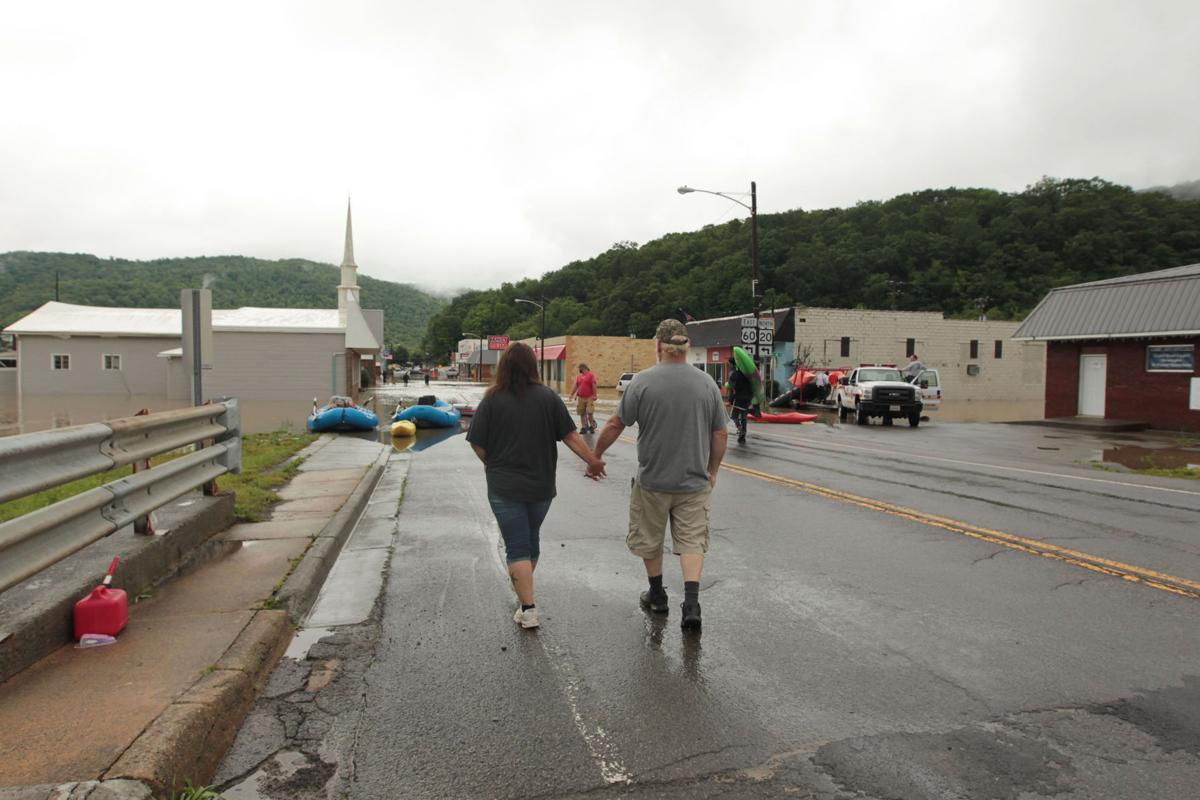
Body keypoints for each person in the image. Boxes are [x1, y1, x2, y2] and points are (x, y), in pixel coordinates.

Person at [591, 319, 728, 632]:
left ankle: (657, 596)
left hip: (652, 480)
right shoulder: (707, 383)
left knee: (650, 539)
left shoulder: (642, 382)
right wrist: (713, 470)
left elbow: (615, 425)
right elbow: (720, 432)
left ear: (658, 347)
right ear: (686, 348)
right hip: (694, 482)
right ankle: (691, 604)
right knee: (692, 541)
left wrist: (595, 456)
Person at [467, 342, 604, 630]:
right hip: (541, 486)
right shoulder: (548, 398)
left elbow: (477, 442)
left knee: (517, 546)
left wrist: (492, 464)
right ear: (533, 366)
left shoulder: (492, 399)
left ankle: (528, 608)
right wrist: (592, 461)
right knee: (530, 540)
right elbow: (570, 436)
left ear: (503, 367)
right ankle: (524, 594)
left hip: (504, 487)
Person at [727, 357, 754, 444]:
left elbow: (732, 389)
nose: (728, 365)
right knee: (743, 416)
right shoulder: (746, 374)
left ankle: (739, 428)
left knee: (734, 416)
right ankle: (743, 435)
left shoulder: (733, 374)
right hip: (747, 398)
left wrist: (730, 400)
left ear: (732, 364)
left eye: (729, 364)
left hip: (738, 398)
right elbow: (752, 386)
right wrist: (751, 398)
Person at [568, 362, 598, 433]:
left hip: (589, 397)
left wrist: (595, 395)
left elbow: (594, 385)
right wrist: (571, 395)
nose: (579, 370)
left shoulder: (591, 375)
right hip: (581, 397)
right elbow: (576, 386)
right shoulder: (579, 377)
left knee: (590, 412)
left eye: (580, 368)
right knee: (582, 413)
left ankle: (592, 426)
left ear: (583, 368)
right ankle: (584, 427)